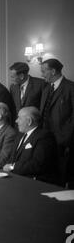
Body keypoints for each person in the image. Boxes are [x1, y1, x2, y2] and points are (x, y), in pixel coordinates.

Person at [40, 58, 74, 186]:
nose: (42, 74)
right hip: (46, 138)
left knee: (61, 175)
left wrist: (65, 138)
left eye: (44, 71)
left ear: (53, 71)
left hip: (63, 142)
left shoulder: (71, 87)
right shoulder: (46, 88)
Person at [3, 107, 58, 185]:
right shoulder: (20, 135)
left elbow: (38, 164)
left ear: (29, 121)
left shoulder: (44, 137)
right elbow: (12, 157)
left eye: (19, 118)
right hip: (16, 178)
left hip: (36, 183)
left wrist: (12, 167)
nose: (16, 121)